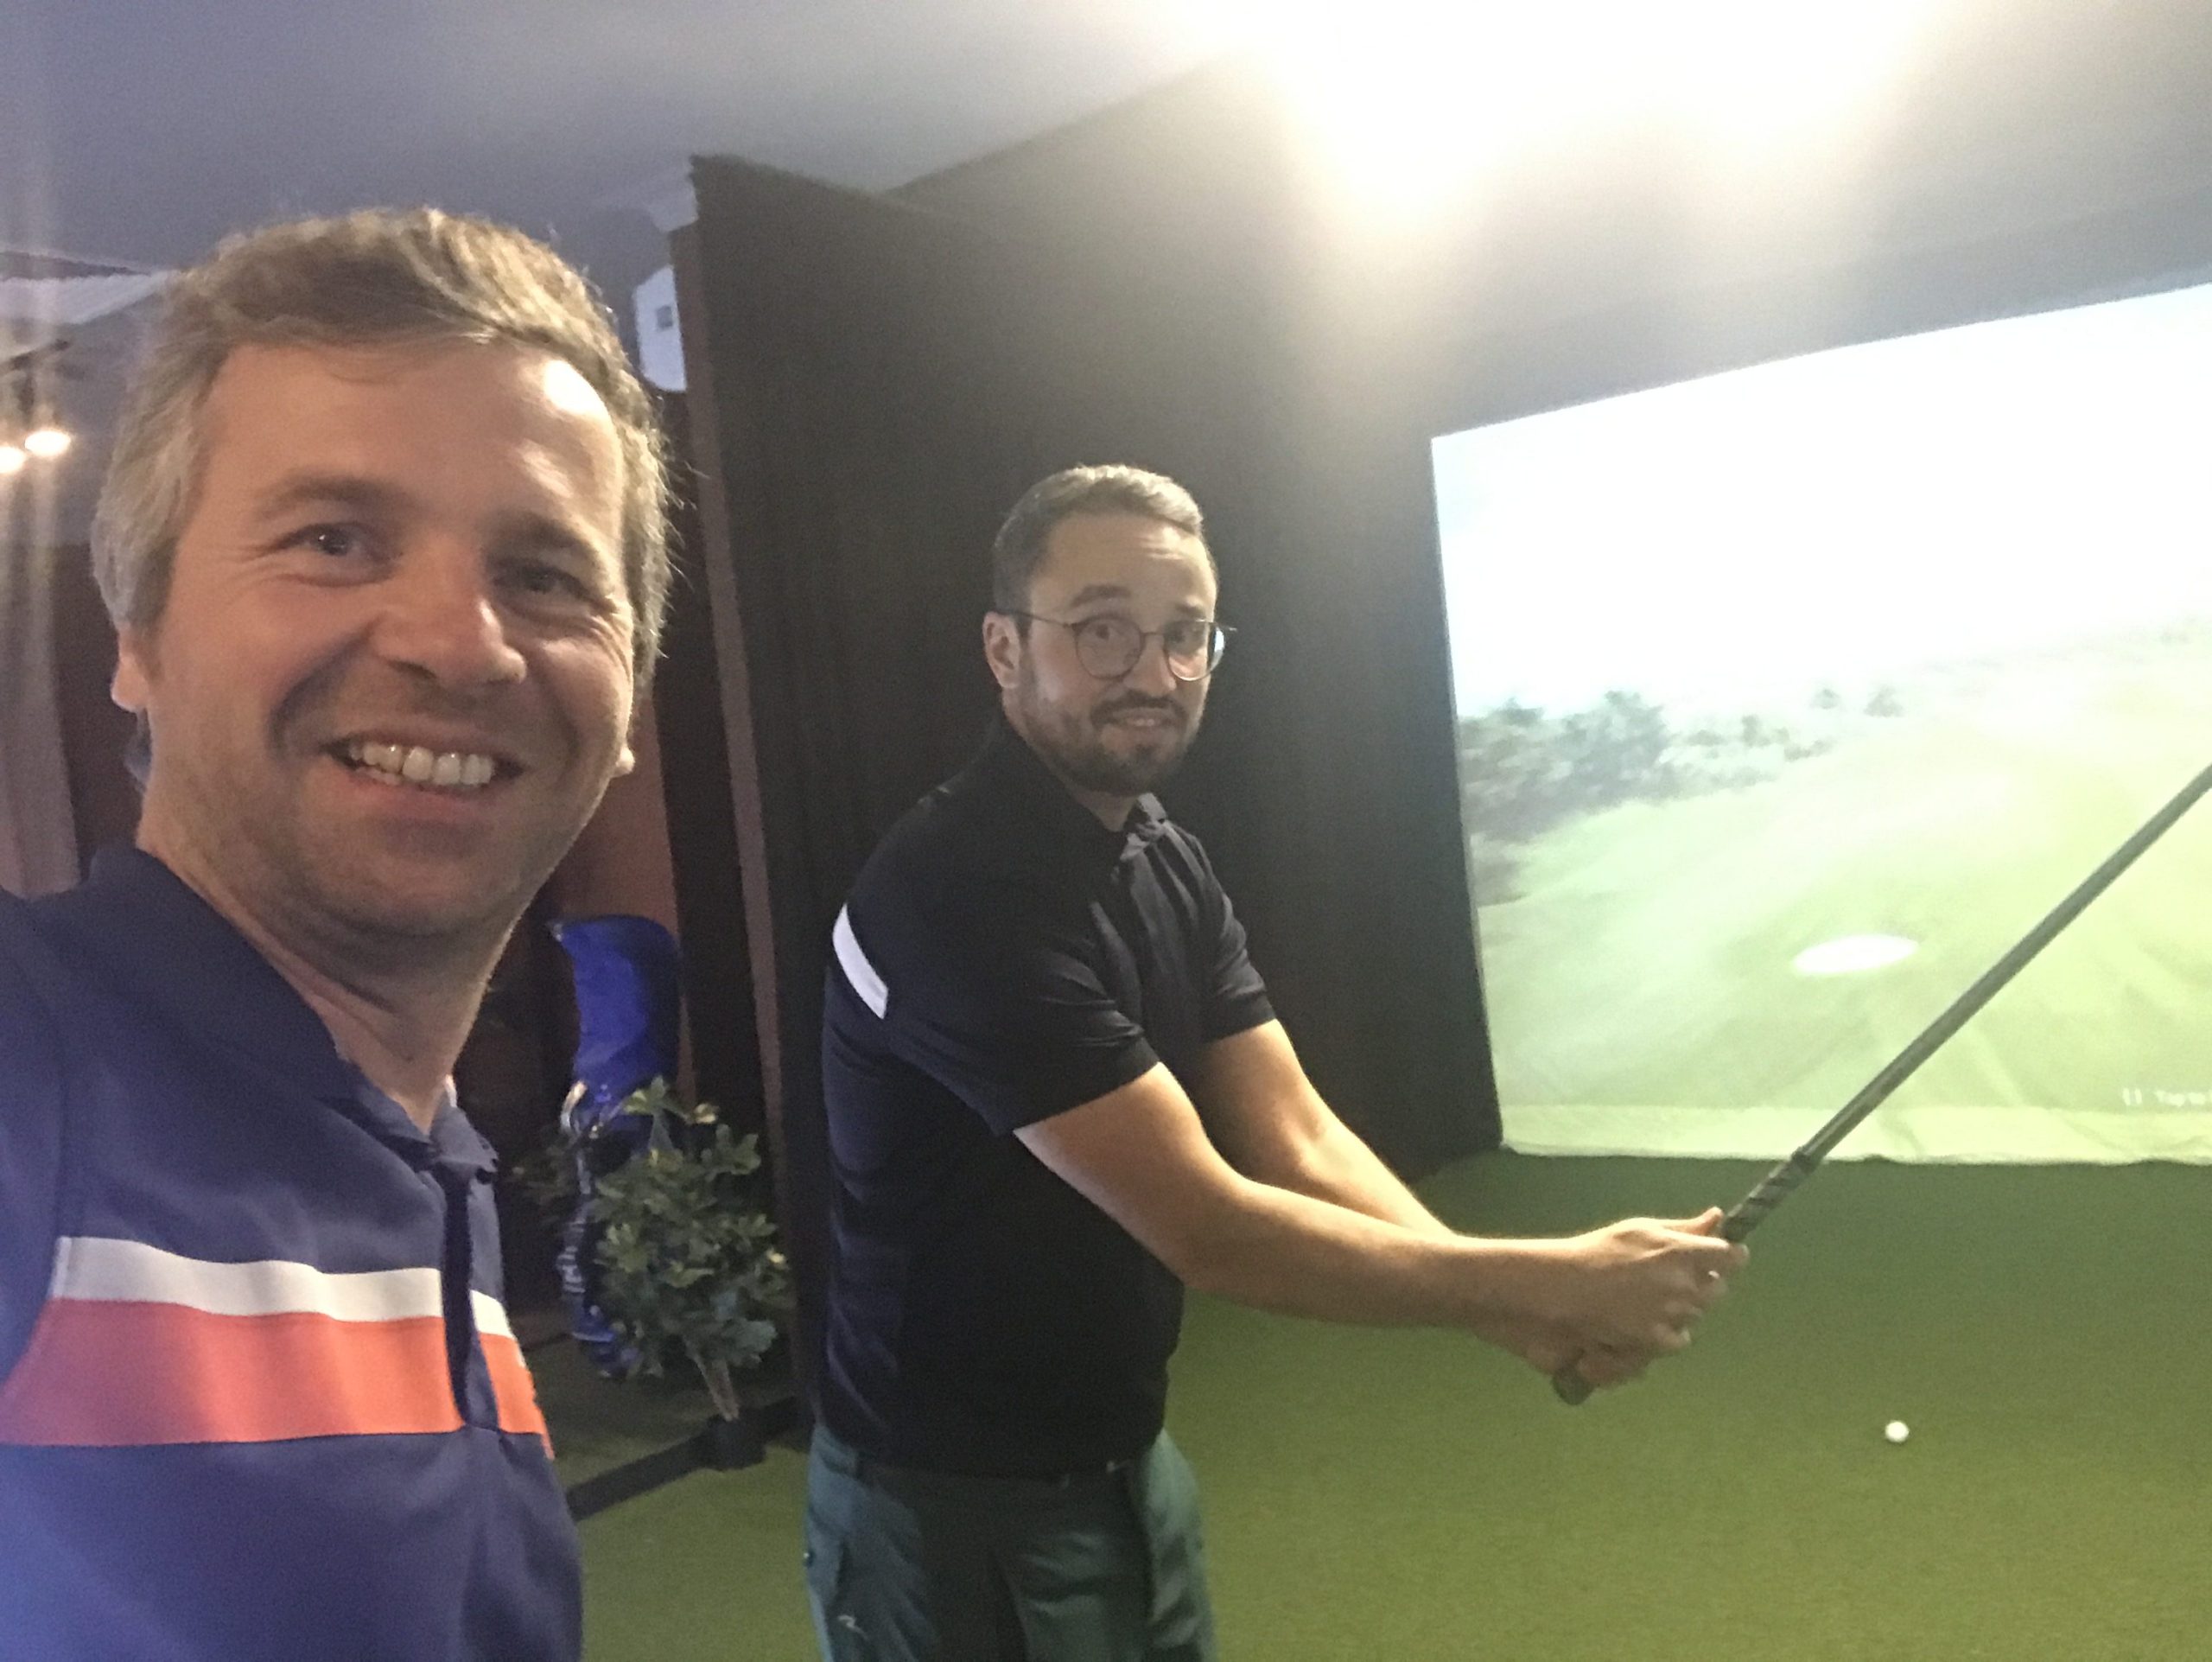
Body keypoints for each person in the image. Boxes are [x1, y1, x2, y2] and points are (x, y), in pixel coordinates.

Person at [811, 466, 1746, 1661]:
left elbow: (1293, 1133)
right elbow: (1212, 1230)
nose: (1154, 673)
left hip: (1124, 1467)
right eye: (1102, 630)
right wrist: (1546, 1282)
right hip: (945, 1511)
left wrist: (1515, 1313)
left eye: (1185, 635)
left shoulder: (1163, 856)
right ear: (1006, 649)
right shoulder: (957, 895)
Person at [0, 208, 670, 1659]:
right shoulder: (34, 1072)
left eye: (547, 575)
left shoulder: (430, 1168)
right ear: (138, 637)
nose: (458, 641)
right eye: (333, 540)